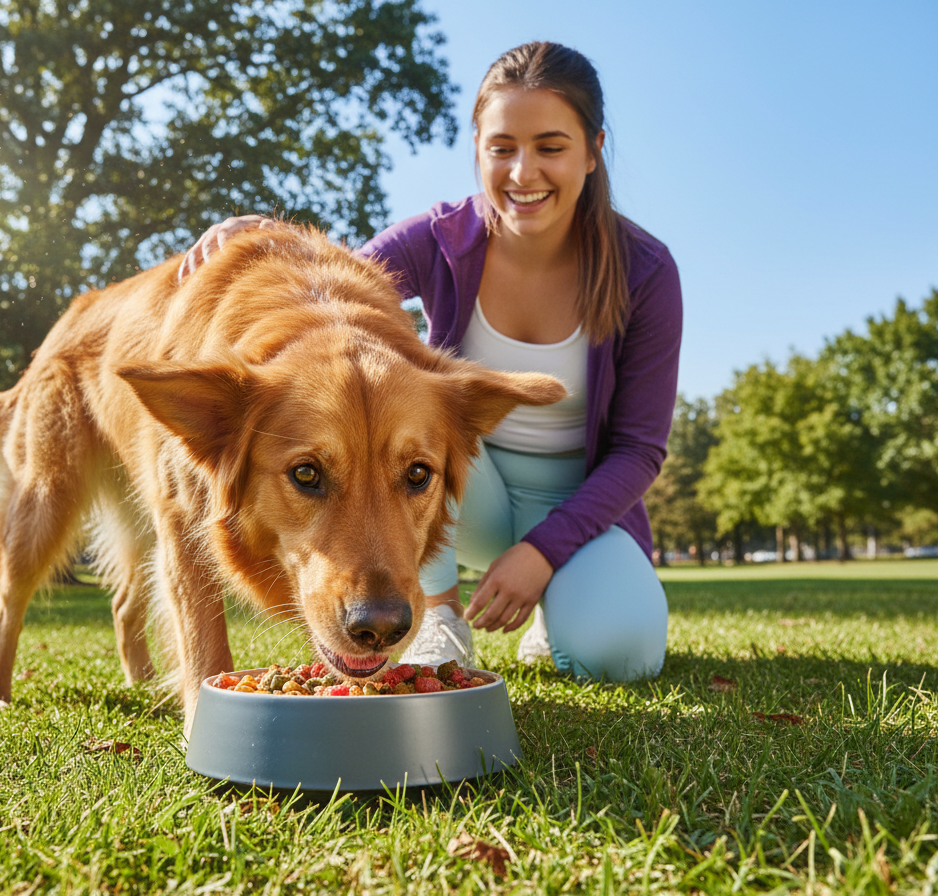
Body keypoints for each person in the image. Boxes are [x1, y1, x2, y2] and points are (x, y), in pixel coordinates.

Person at [178, 41, 682, 681]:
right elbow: (332, 293)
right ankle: (438, 612)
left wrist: (540, 554)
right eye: (502, 148)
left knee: (623, 655)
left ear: (592, 150)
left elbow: (639, 451)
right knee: (395, 437)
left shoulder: (647, 270)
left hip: (583, 502)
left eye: (550, 147)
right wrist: (264, 236)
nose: (523, 173)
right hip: (472, 491)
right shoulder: (441, 240)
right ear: (477, 147)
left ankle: (558, 609)